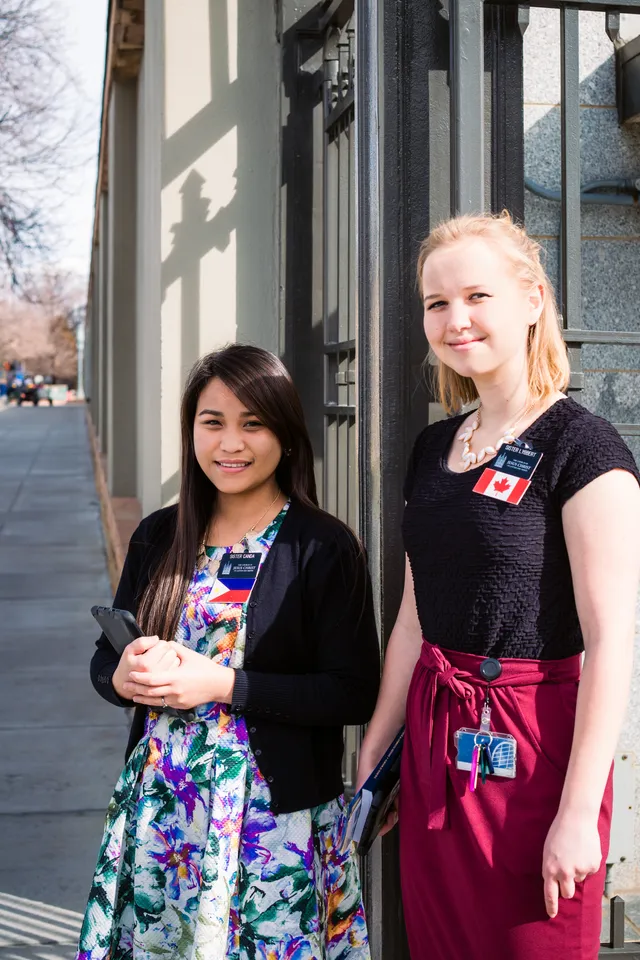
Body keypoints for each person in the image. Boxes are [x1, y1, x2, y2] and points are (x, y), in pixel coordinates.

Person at [356, 212, 640, 960]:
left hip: (535, 747)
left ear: (533, 300)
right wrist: (377, 752)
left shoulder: (583, 448)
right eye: (437, 303)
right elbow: (415, 620)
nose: (456, 320)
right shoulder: (431, 447)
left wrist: (579, 811)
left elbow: (613, 641)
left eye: (477, 296)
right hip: (434, 741)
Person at [77, 345, 380, 960]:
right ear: (192, 431)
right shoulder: (161, 533)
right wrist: (127, 676)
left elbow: (353, 690)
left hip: (275, 826)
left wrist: (224, 686)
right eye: (213, 422)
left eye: (253, 423)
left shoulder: (323, 547)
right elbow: (102, 664)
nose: (230, 443)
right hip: (164, 816)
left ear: (286, 435)